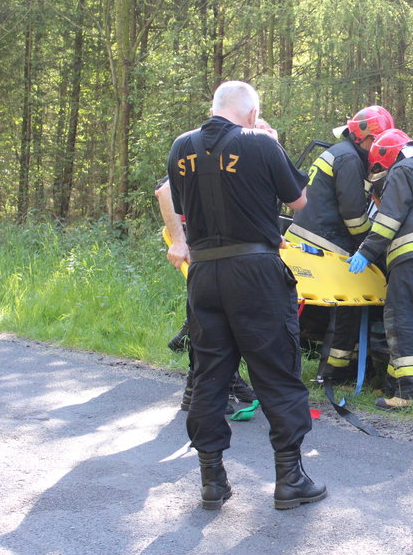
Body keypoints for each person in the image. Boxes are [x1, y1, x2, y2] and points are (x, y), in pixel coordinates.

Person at [167, 80, 325, 510]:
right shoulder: (260, 141)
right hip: (255, 271)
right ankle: (290, 478)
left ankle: (212, 480)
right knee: (277, 368)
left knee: (210, 374)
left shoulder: (181, 147)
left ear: (215, 107)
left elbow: (178, 206)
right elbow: (299, 201)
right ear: (253, 114)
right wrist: (273, 143)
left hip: (203, 272)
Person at [286, 106, 394, 383]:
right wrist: (370, 247)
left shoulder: (342, 152)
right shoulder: (349, 159)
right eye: (376, 142)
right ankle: (336, 371)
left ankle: (333, 367)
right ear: (365, 138)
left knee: (306, 308)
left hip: (309, 238)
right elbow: (354, 216)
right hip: (325, 241)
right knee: (350, 303)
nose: (377, 149)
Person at [347, 129, 413, 410]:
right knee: (412, 321)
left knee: (400, 320)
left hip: (411, 253)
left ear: (388, 155)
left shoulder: (403, 169)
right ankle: (396, 386)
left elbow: (389, 219)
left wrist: (366, 252)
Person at [154, 177, 257, 414]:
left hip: (221, 243)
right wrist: (179, 240)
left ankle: (223, 379)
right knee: (211, 316)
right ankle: (197, 389)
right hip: (196, 240)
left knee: (221, 312)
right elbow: (164, 191)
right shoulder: (201, 146)